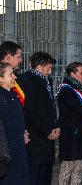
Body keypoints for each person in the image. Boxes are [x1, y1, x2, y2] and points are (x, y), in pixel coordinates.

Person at [17, 52, 60, 185]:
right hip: (36, 135)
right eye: (48, 68)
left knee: (46, 173)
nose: (51, 71)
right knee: (35, 174)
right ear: (40, 67)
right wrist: (46, 131)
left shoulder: (47, 80)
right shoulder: (27, 80)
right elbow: (30, 111)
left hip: (48, 134)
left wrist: (54, 126)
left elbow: (50, 105)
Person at [0, 41, 26, 178]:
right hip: (7, 151)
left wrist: (23, 131)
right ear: (8, 57)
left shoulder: (11, 87)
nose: (21, 60)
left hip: (17, 144)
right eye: (19, 56)